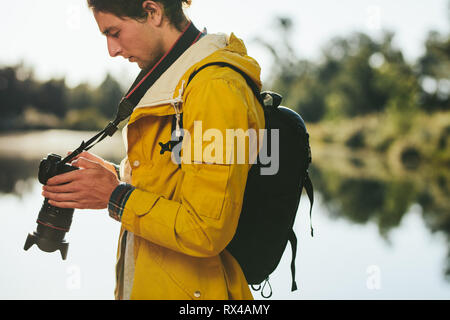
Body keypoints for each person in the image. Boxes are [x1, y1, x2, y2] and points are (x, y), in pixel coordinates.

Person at [42, 0, 265, 300]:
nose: (112, 49)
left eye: (115, 32)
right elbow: (176, 185)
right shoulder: (176, 80)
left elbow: (206, 229)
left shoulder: (215, 88)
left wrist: (114, 196)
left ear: (153, 11)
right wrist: (118, 179)